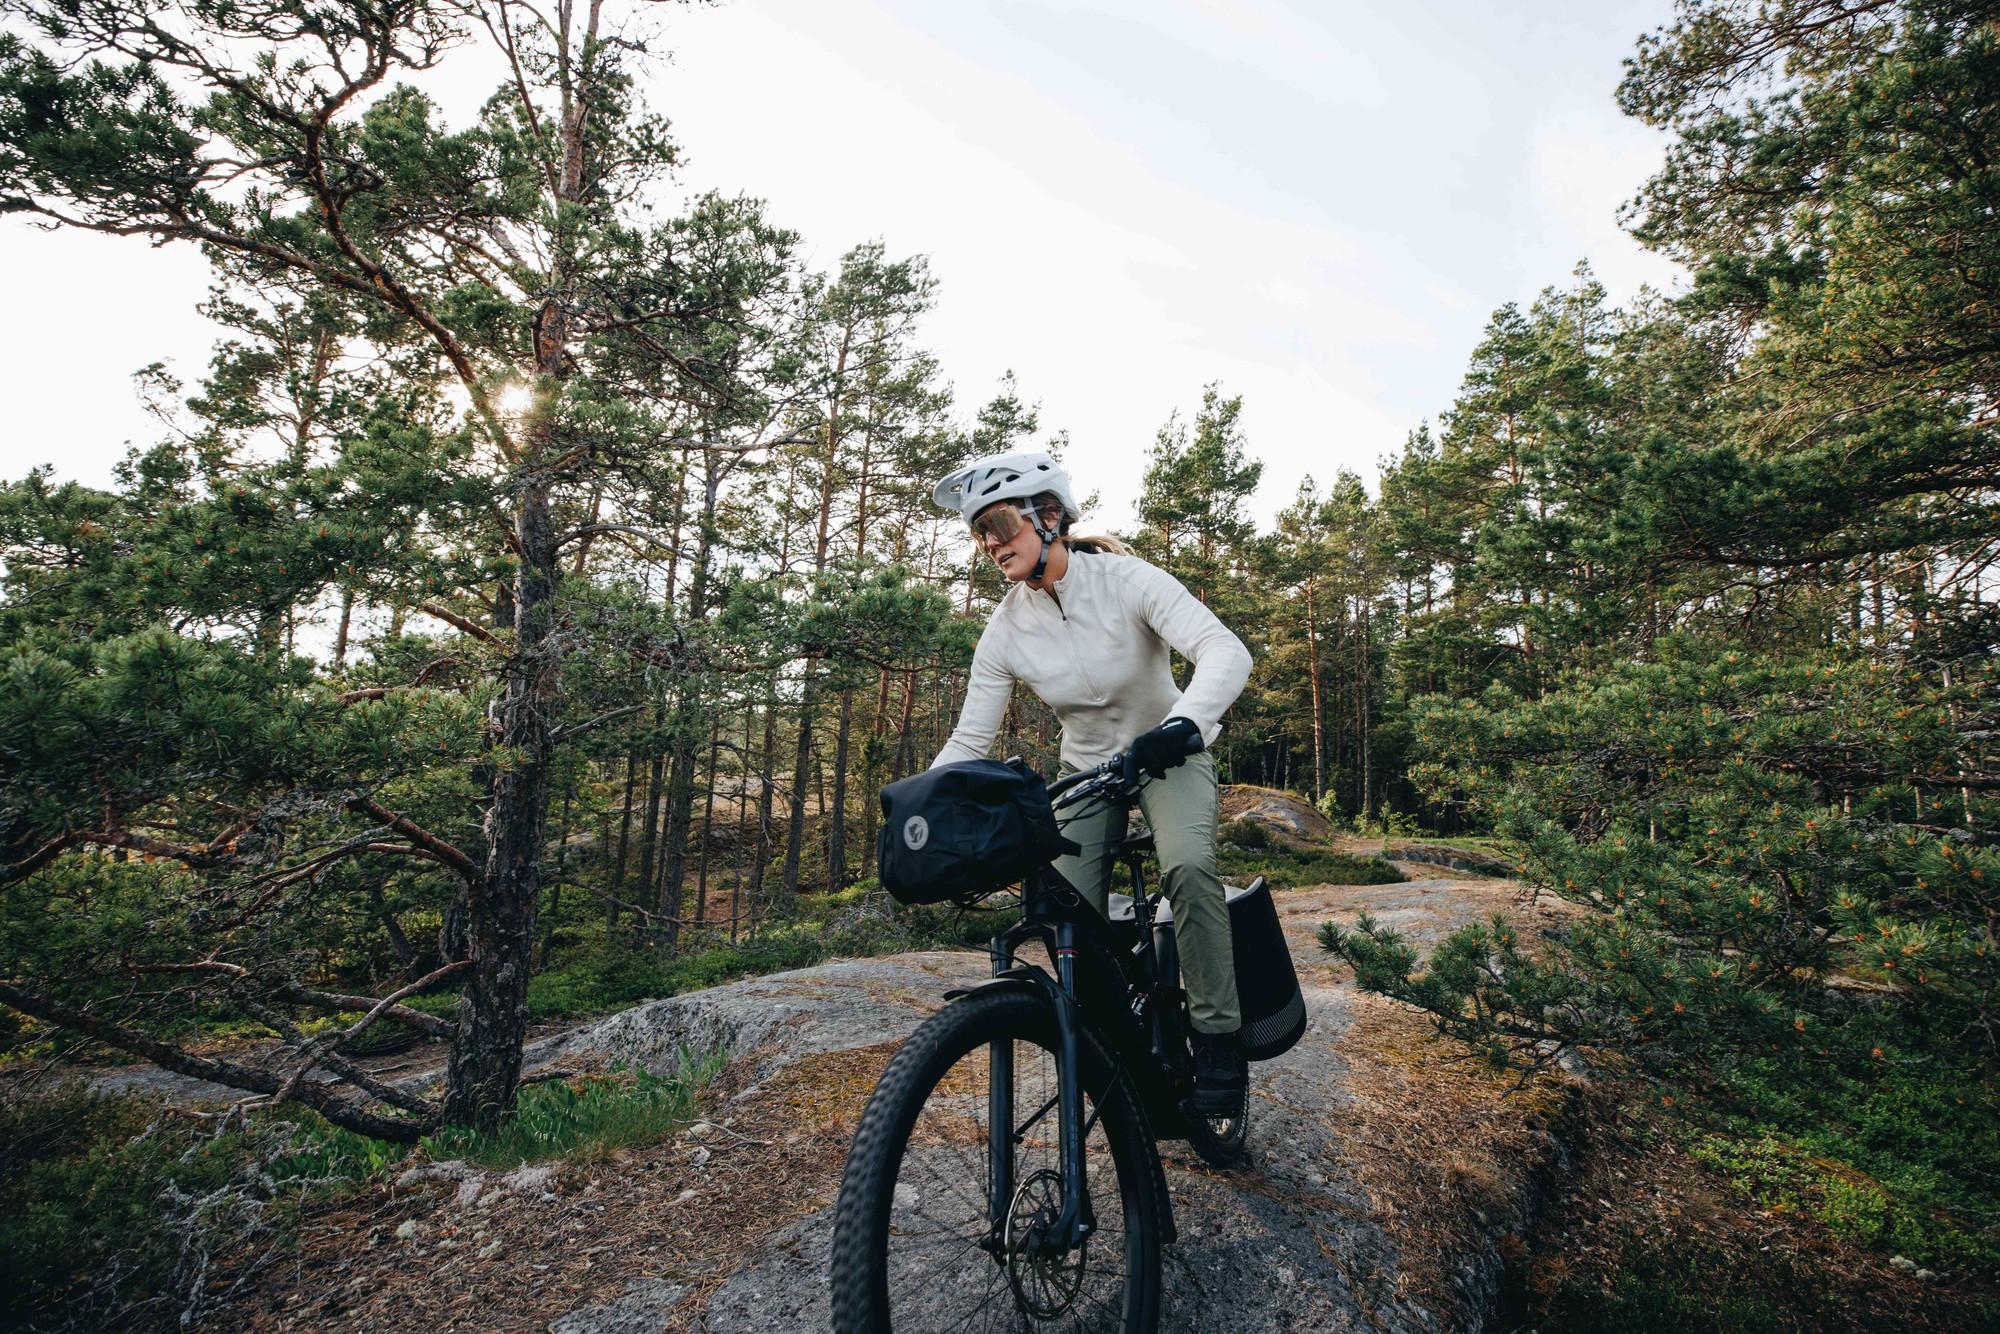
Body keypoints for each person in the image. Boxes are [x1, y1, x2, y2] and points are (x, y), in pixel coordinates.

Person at [930, 449, 1254, 1114]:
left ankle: (1218, 1039)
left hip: (1168, 754)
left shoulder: (1128, 581)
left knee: (1190, 869)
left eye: (998, 524)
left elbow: (1226, 650)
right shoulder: (1005, 629)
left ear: (1048, 516)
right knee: (1060, 917)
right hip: (1088, 772)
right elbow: (969, 739)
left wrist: (1184, 724)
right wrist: (923, 806)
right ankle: (1117, 1041)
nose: (990, 545)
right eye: (978, 533)